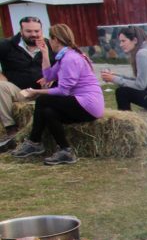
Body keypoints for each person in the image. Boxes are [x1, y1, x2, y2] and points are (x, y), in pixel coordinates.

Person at [10, 24, 103, 166]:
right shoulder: (64, 56)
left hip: (87, 104)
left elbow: (63, 91)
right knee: (48, 112)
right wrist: (45, 53)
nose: (49, 42)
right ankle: (65, 151)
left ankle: (34, 142)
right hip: (83, 104)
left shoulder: (70, 58)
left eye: (50, 39)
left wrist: (36, 92)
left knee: (43, 100)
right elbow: (48, 76)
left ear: (56, 40)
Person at [0, 16, 52, 151]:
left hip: (44, 91)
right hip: (20, 91)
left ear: (41, 30)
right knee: (0, 86)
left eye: (37, 31)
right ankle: (11, 129)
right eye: (29, 31)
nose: (33, 34)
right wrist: (1, 77)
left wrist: (53, 78)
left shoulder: (50, 45)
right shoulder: (7, 45)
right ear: (21, 31)